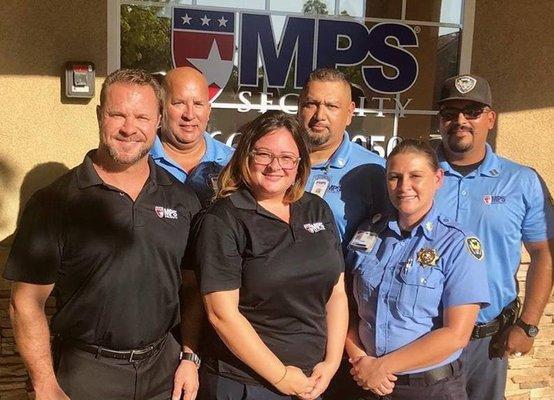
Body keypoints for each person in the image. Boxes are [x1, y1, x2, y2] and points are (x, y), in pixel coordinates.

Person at [4, 69, 203, 400]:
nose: (129, 128)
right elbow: (25, 302)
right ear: (99, 115)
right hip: (86, 374)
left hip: (163, 371)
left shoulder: (182, 200)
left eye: (141, 116)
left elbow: (193, 289)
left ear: (158, 122)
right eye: (117, 115)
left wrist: (189, 356)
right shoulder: (55, 202)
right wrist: (44, 383)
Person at [189, 111, 348, 400]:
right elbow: (221, 314)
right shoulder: (223, 220)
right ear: (246, 156)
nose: (276, 166)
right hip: (245, 383)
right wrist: (282, 376)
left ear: (300, 164)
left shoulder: (317, 209)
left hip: (311, 381)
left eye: (287, 157)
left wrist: (332, 362)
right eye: (264, 154)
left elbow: (336, 291)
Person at [433, 74, 553, 400]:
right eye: (449, 113)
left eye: (471, 110)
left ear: (490, 118)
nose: (460, 121)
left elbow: (544, 254)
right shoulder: (417, 175)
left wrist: (528, 324)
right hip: (423, 336)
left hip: (487, 344)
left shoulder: (523, 181)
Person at [345, 139, 490, 399]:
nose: (404, 187)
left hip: (430, 388)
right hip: (366, 381)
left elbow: (456, 335)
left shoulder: (456, 244)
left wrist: (382, 367)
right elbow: (348, 307)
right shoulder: (369, 233)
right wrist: (360, 360)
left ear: (438, 179)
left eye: (415, 176)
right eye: (394, 177)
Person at [297, 67, 387, 244]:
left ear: (350, 112)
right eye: (311, 104)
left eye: (332, 106)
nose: (319, 115)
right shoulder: (276, 162)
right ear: (299, 107)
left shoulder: (375, 171)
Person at [151, 66, 233, 206]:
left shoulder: (233, 163)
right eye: (179, 103)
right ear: (161, 108)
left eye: (198, 104)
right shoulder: (140, 160)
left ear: (208, 111)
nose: (189, 115)